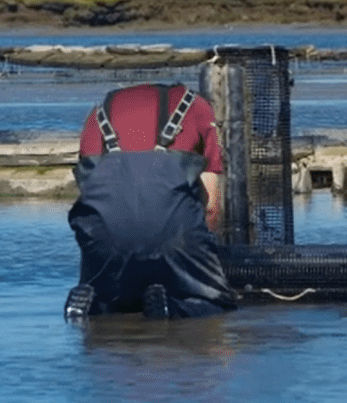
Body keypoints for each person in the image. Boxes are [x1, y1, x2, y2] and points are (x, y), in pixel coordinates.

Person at [63, 82, 237, 320]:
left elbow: (90, 194)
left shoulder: (96, 114)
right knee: (215, 304)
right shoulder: (196, 107)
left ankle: (92, 306)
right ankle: (171, 308)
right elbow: (211, 207)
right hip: (174, 233)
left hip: (105, 239)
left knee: (114, 298)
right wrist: (206, 257)